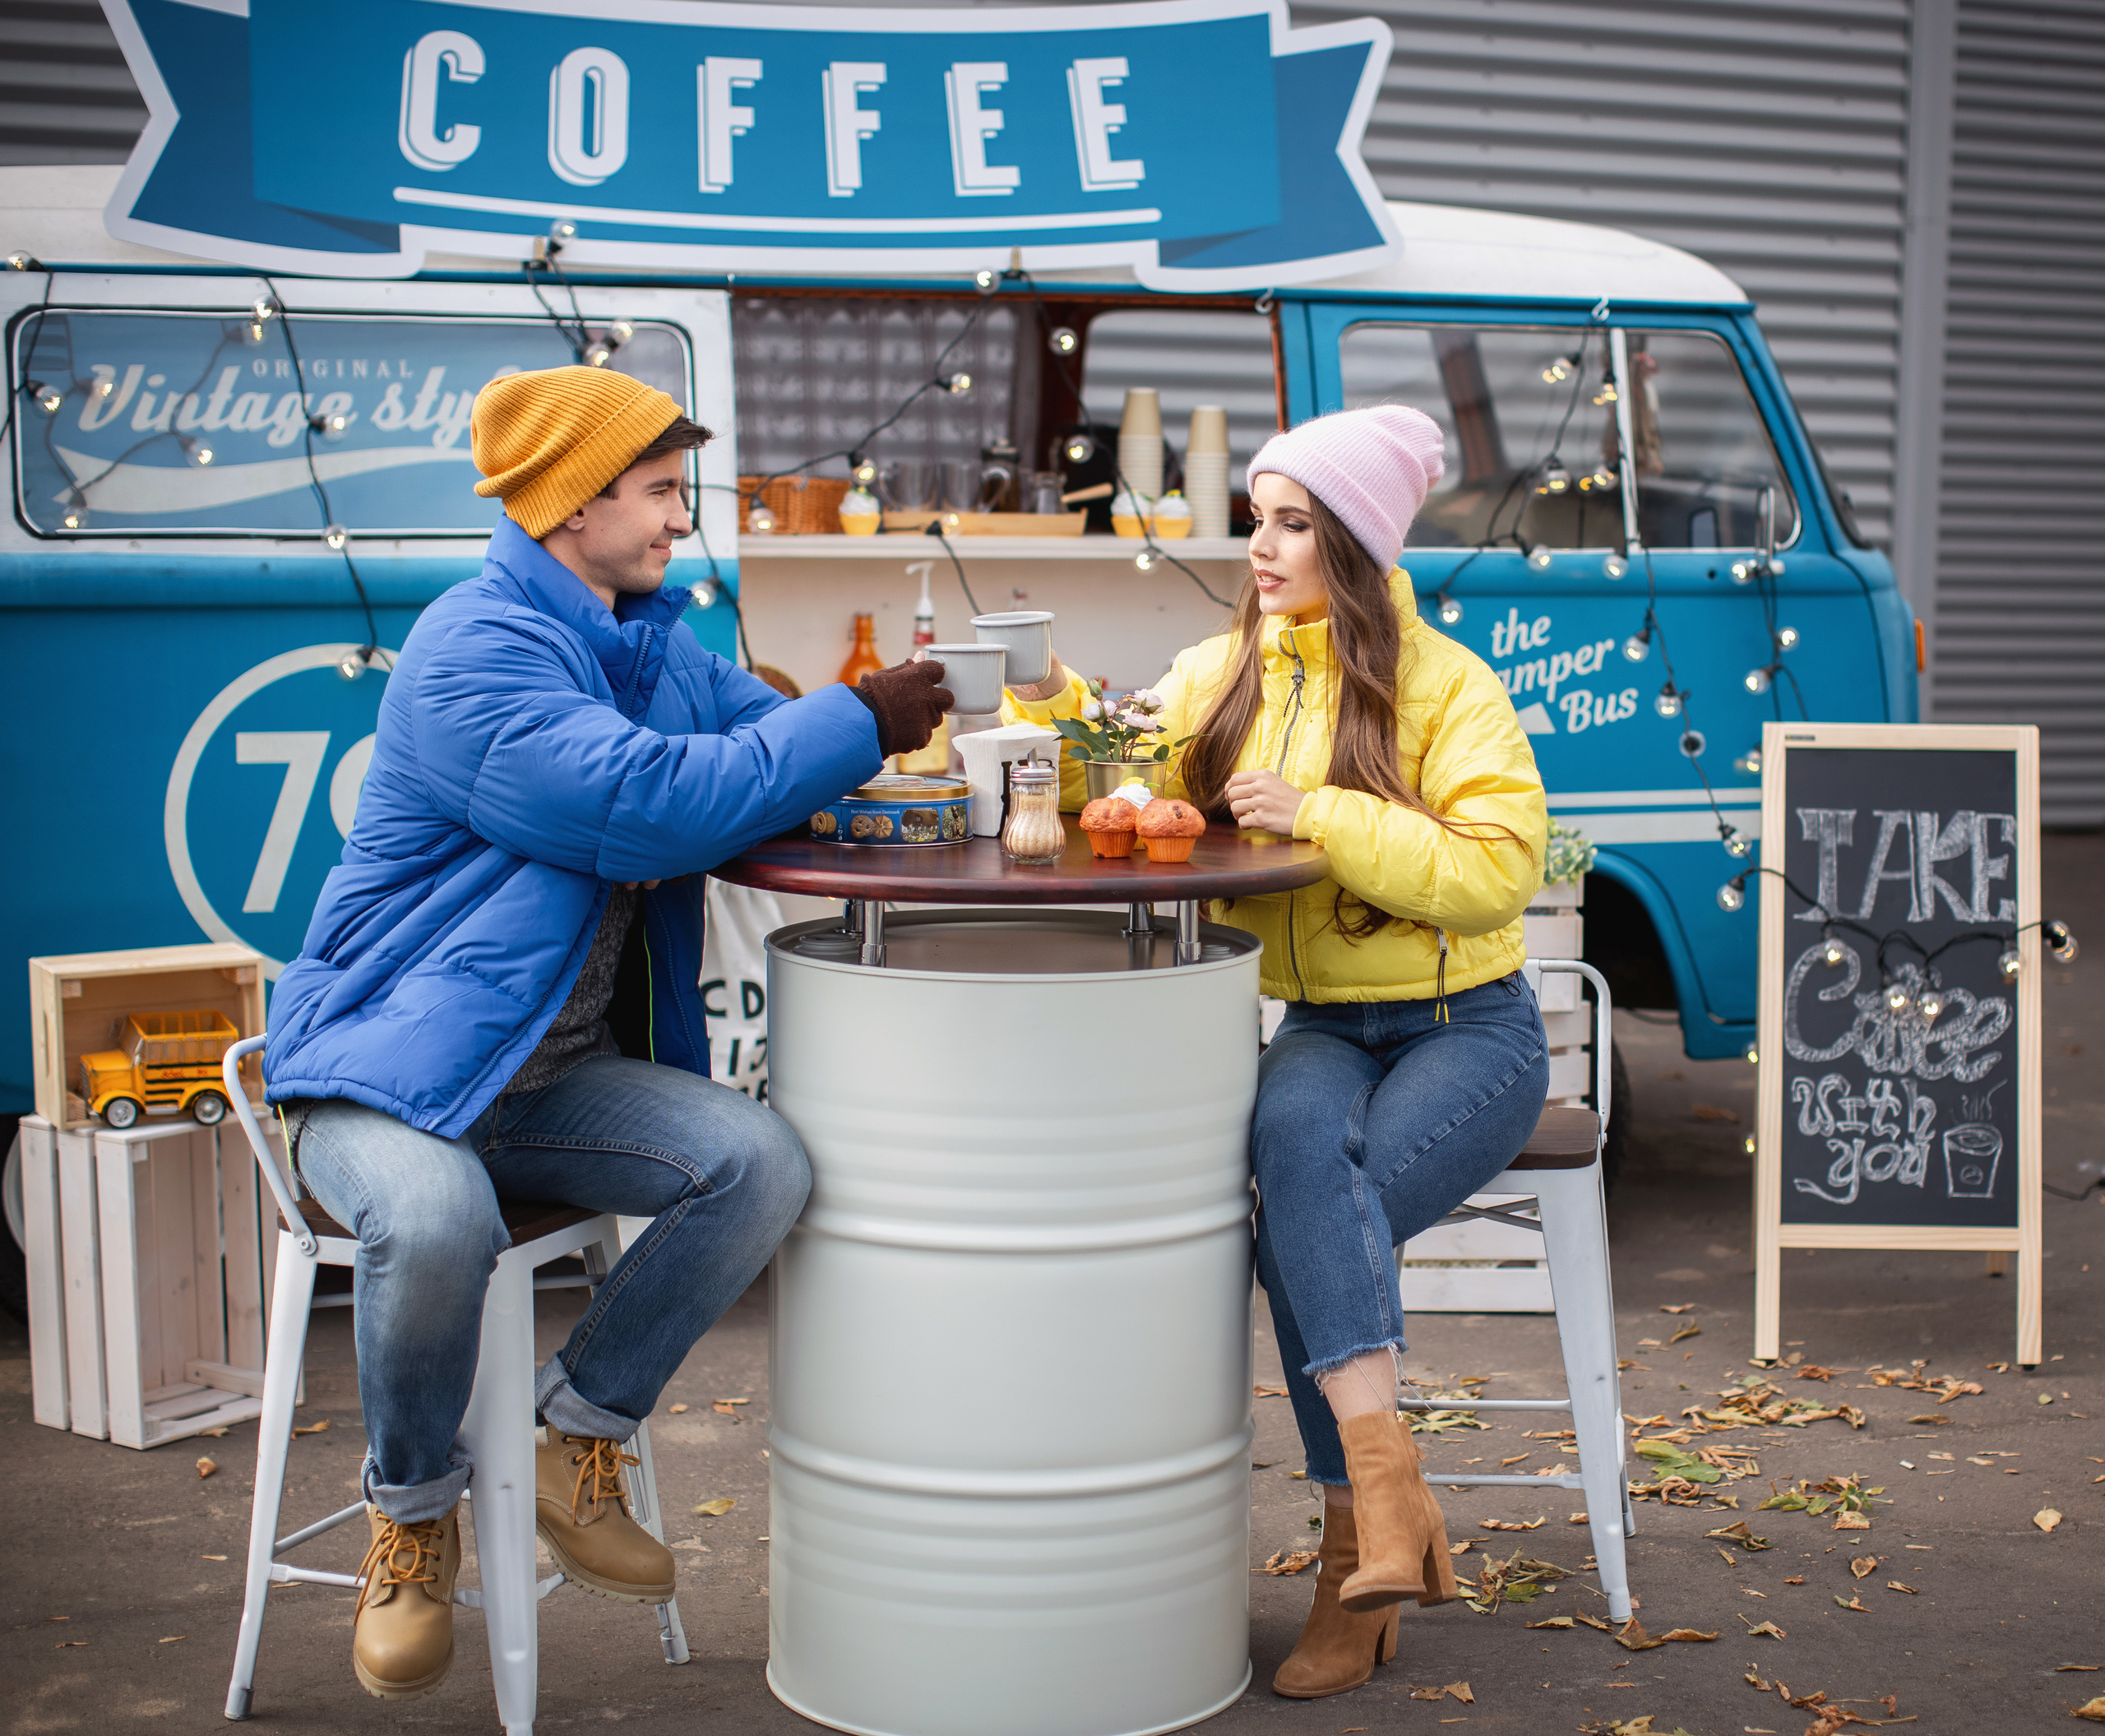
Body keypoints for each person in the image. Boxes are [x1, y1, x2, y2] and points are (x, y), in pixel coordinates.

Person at [262, 365, 951, 1702]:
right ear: (570, 503)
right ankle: (409, 1514)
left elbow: (755, 759)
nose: (679, 520)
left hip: (549, 1083)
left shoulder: (649, 640)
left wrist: (870, 767)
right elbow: (644, 804)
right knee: (440, 1219)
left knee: (757, 1163)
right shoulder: (477, 650)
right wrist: (857, 717)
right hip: (392, 1072)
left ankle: (575, 1437)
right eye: (656, 493)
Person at [1003, 405, 1549, 1699]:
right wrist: (1051, 698)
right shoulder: (1221, 672)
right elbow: (1117, 769)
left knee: (1307, 1219)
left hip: (1469, 1026)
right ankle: (1382, 1521)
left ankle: (1358, 1552)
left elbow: (1499, 871)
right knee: (1301, 1154)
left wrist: (1325, 812)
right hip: (1321, 1028)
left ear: (1354, 541)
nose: (1260, 544)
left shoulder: (1448, 685)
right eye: (1256, 516)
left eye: (1291, 522)